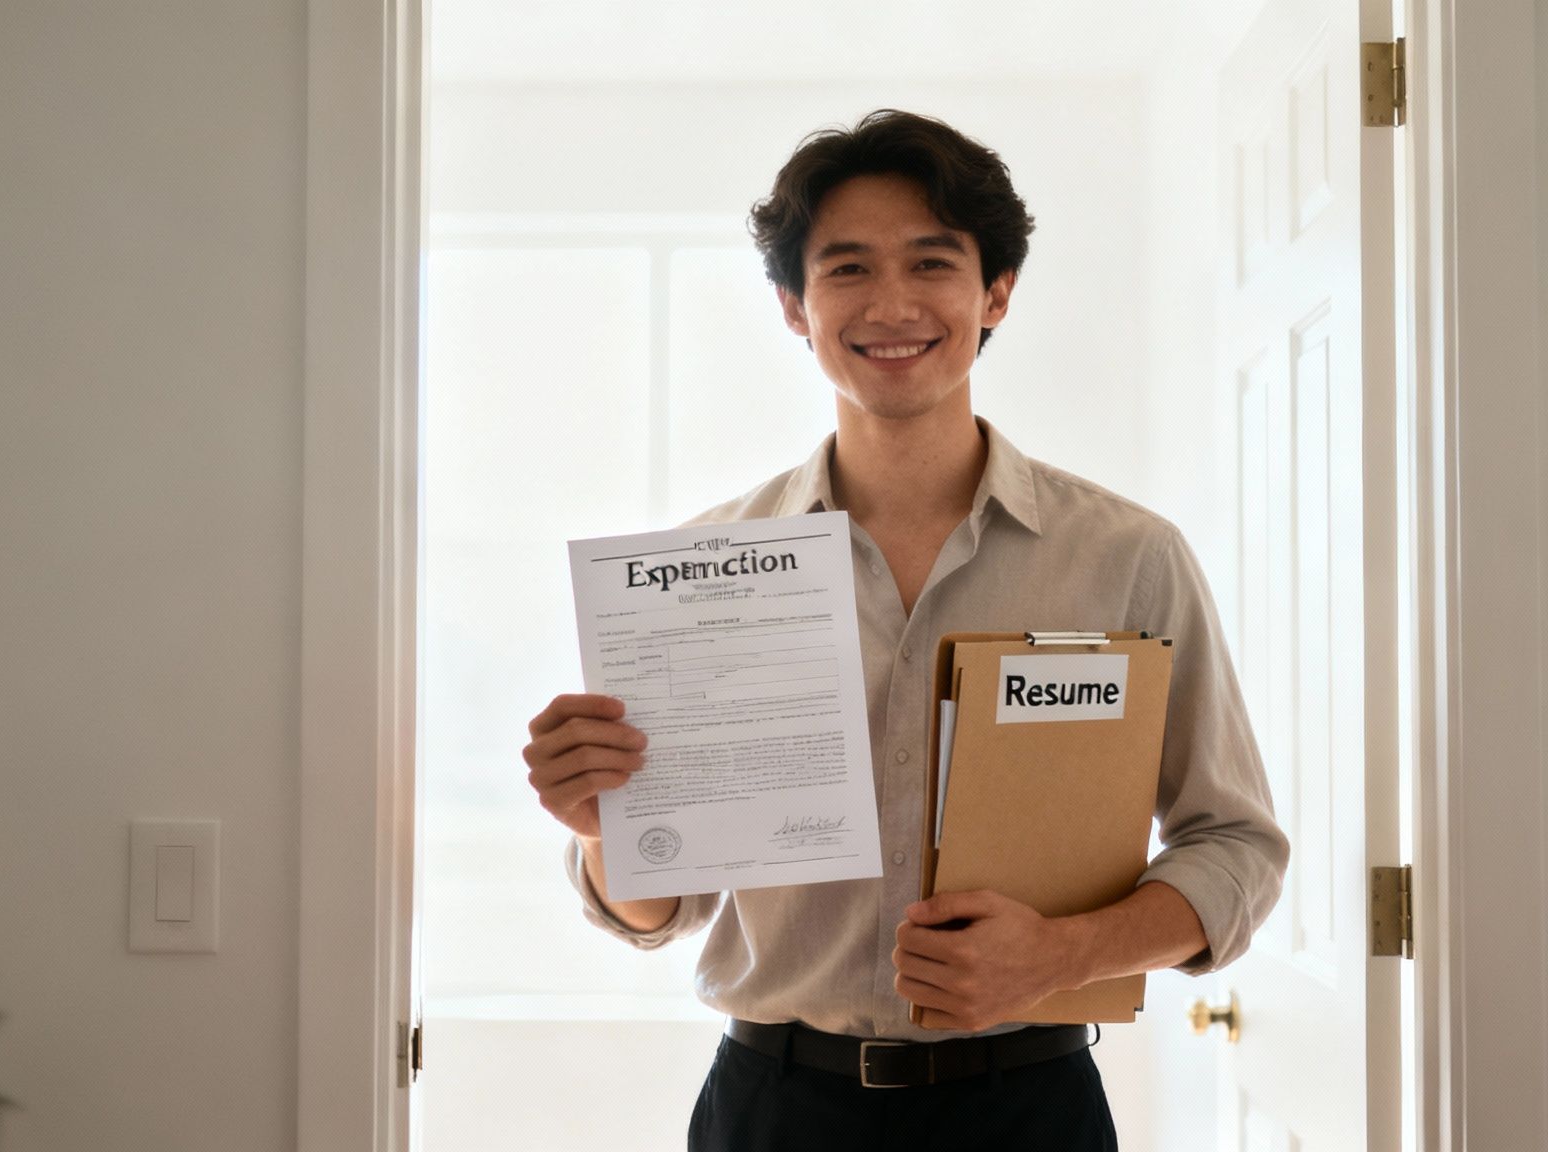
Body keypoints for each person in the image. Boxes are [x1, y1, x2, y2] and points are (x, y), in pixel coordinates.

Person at [521, 109, 1289, 1151]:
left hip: (1029, 1110)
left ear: (995, 294)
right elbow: (660, 910)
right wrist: (603, 829)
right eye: (845, 270)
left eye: (931, 262)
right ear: (794, 306)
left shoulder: (1126, 558)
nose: (890, 305)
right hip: (772, 1108)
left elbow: (1236, 847)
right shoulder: (697, 575)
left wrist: (1063, 955)